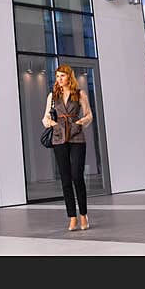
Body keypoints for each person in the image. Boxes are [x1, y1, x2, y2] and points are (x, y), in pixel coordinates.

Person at [42, 65, 93, 231]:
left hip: (77, 137)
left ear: (69, 77)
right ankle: (72, 217)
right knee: (65, 179)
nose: (59, 79)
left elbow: (89, 115)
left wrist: (79, 123)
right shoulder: (52, 95)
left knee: (77, 176)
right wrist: (54, 124)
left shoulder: (80, 94)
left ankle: (83, 214)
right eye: (57, 76)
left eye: (62, 76)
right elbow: (45, 118)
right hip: (58, 138)